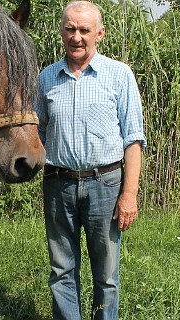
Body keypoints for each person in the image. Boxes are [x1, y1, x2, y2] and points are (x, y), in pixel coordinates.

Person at [34, 1, 147, 319]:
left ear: (100, 34)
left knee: (107, 275)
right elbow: (37, 133)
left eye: (84, 30)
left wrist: (129, 193)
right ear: (61, 31)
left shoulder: (119, 75)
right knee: (61, 270)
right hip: (58, 185)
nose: (77, 36)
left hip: (106, 185)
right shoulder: (46, 79)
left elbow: (133, 139)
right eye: (70, 28)